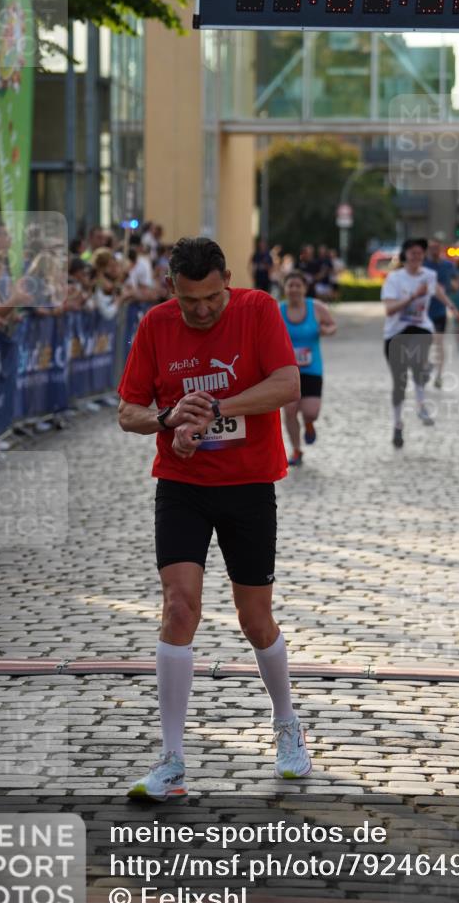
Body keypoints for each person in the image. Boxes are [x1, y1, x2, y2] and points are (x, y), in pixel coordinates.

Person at [117, 237, 310, 800]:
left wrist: (217, 409)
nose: (200, 311)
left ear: (228, 278)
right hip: (182, 485)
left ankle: (286, 724)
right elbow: (127, 410)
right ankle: (171, 757)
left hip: (249, 485)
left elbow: (287, 384)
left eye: (210, 298)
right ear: (170, 288)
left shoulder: (257, 310)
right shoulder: (155, 325)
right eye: (188, 300)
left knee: (255, 620)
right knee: (179, 608)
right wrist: (168, 417)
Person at [381, 238, 459, 448]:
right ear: (405, 255)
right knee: (399, 384)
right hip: (395, 332)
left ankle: (421, 402)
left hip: (420, 327)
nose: (416, 257)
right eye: (412, 253)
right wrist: (412, 298)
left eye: (420, 253)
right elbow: (389, 310)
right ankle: (398, 425)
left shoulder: (429, 276)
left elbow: (438, 292)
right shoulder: (394, 279)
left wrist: (452, 308)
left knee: (421, 350)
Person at [279, 270, 336, 466]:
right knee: (290, 411)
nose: (294, 289)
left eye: (298, 285)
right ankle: (296, 450)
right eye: (290, 285)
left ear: (304, 288)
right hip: (286, 369)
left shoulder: (316, 308)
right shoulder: (278, 310)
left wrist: (326, 330)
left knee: (310, 411)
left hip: (312, 368)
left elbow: (332, 325)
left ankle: (309, 423)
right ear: (285, 289)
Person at [424, 239, 459, 387]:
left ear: (440, 249)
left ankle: (439, 375)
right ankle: (426, 366)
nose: (434, 250)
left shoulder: (447, 265)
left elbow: (456, 282)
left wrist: (452, 286)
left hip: (439, 310)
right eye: (431, 248)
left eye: (436, 248)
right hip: (423, 312)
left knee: (439, 342)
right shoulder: (423, 265)